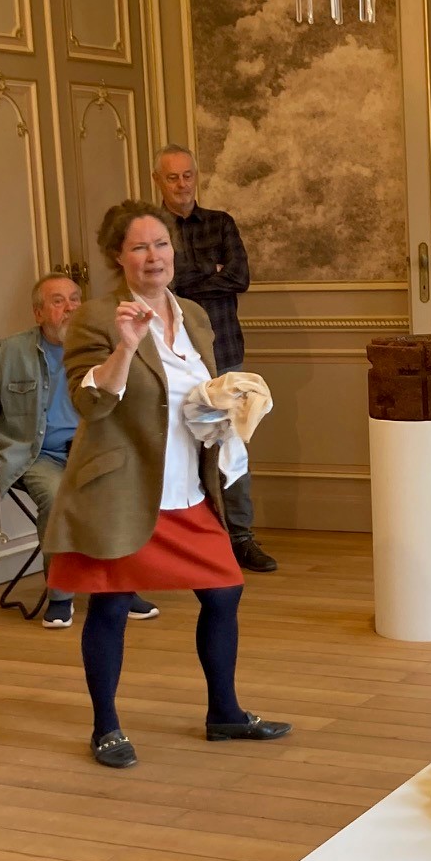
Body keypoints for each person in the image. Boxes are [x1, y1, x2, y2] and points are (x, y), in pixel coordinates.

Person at [44, 199, 290, 767]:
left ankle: (224, 713)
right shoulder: (97, 318)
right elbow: (90, 402)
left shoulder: (195, 316)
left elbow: (199, 392)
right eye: (139, 247)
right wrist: (127, 345)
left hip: (188, 487)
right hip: (123, 490)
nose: (153, 256)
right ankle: (106, 727)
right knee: (109, 606)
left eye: (160, 244)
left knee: (224, 590)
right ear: (118, 256)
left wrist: (228, 404)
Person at [0, 273, 159, 629]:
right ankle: (61, 595)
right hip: (38, 455)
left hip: (93, 453)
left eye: (75, 299)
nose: (70, 308)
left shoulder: (101, 346)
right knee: (57, 497)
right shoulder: (12, 351)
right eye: (58, 301)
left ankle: (119, 591)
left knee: (117, 495)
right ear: (38, 313)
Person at [155, 144, 275, 573]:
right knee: (177, 448)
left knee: (232, 444)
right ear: (158, 181)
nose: (182, 184)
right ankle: (190, 542)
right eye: (172, 177)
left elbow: (239, 277)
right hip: (173, 356)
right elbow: (163, 286)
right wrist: (212, 274)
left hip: (223, 352)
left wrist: (187, 280)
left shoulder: (221, 223)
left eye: (187, 175)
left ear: (196, 177)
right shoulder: (153, 230)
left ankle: (240, 538)